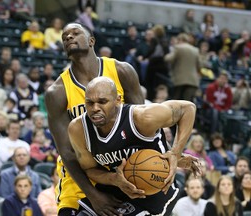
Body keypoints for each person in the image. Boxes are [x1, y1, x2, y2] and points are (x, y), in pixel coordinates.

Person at [45, 22, 145, 215]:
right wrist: (93, 194)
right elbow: (67, 152)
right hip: (79, 178)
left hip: (120, 169)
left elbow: (141, 127)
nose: (68, 37)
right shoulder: (57, 92)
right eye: (65, 37)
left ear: (91, 40)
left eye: (75, 33)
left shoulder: (122, 71)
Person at [68, 76, 200, 215]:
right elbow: (90, 169)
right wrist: (114, 180)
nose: (95, 108)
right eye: (89, 103)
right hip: (116, 188)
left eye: (102, 102)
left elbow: (188, 108)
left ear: (118, 100)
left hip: (154, 189)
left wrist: (175, 153)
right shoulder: (78, 129)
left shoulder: (143, 117)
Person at [164, 33, 200, 101]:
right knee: (187, 104)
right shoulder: (195, 50)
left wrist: (165, 56)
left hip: (180, 80)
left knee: (176, 104)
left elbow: (169, 59)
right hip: (193, 81)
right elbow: (199, 65)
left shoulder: (178, 47)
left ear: (180, 40)